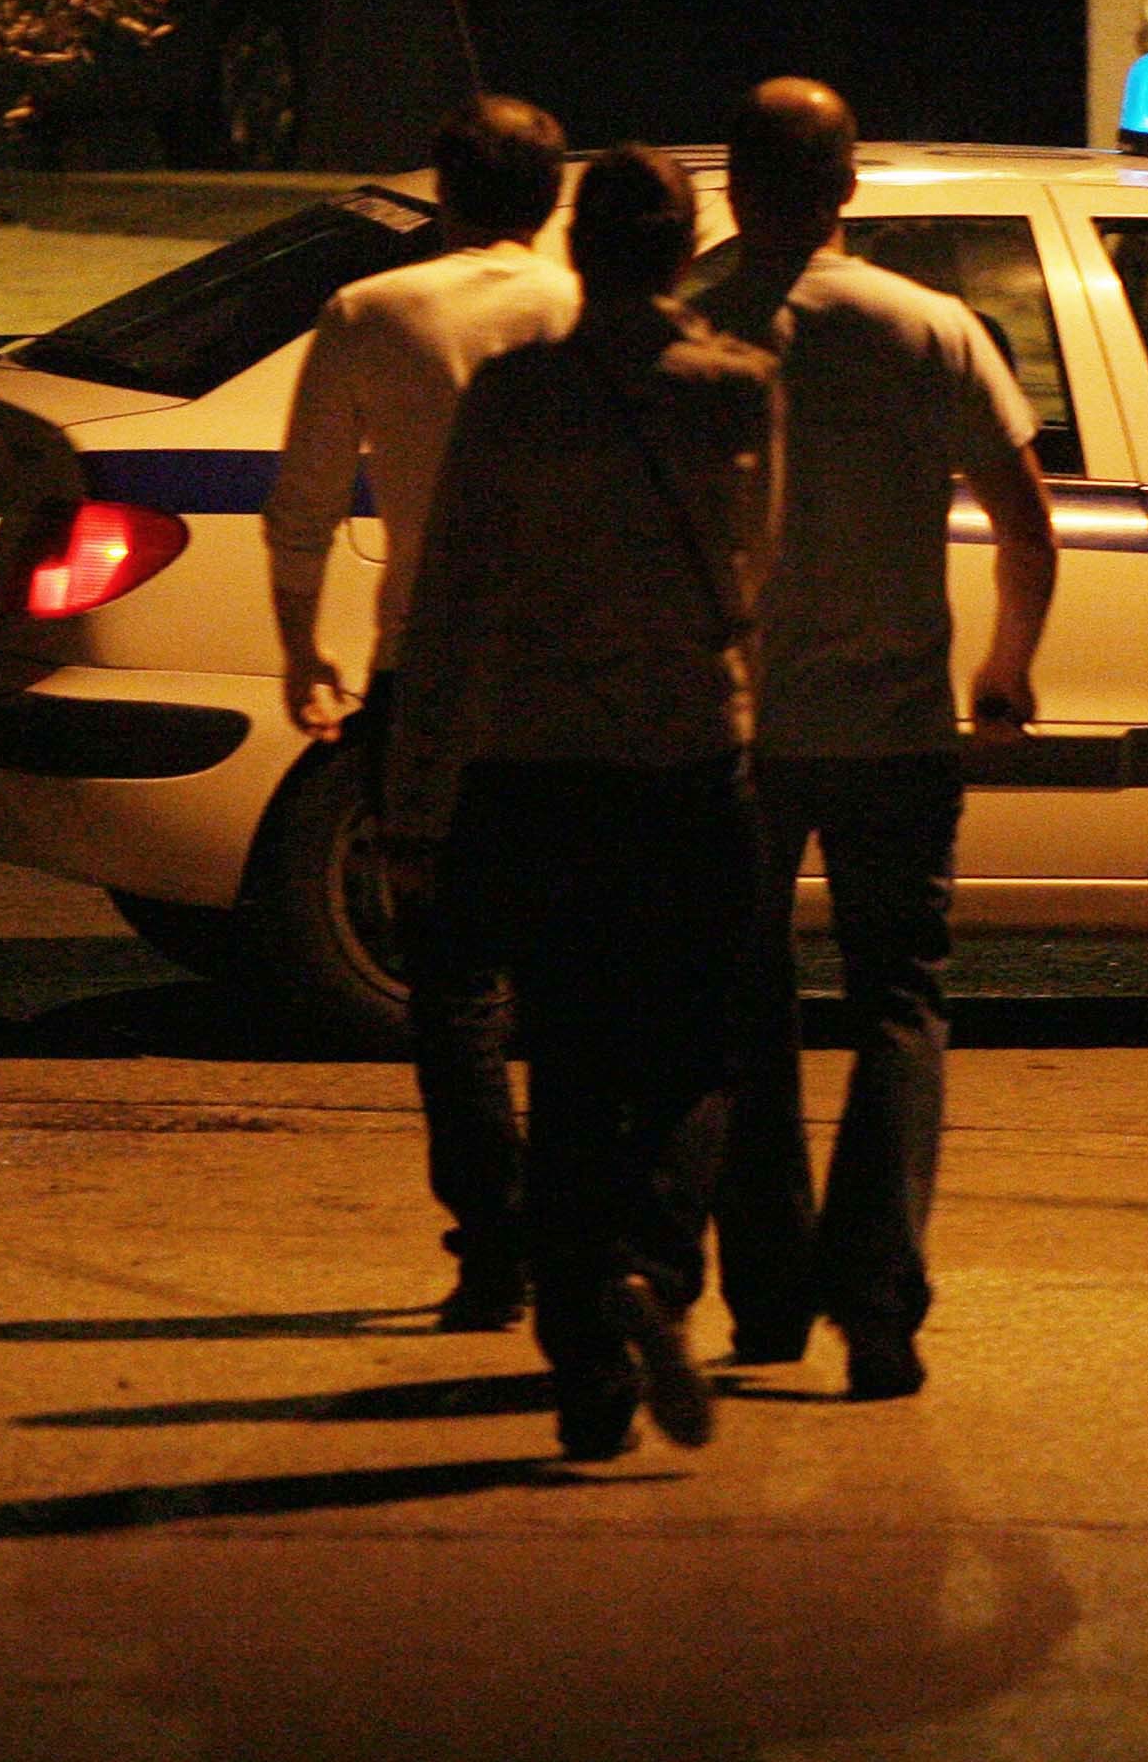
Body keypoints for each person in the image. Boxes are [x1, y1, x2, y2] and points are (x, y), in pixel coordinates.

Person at [385, 147, 780, 1461]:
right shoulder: (737, 388)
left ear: (579, 247)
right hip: (686, 759)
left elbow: (449, 596)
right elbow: (757, 579)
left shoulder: (514, 393)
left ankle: (584, 1358)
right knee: (693, 1050)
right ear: (682, 250)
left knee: (564, 1062)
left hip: (534, 762)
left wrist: (417, 796)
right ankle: (651, 1267)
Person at [698, 77, 1057, 1401]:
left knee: (738, 1005)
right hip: (894, 724)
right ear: (847, 187)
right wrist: (1004, 669)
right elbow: (1025, 525)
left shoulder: (683, 320)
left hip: (729, 729)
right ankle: (878, 1304)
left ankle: (764, 1301)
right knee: (898, 1004)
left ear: (734, 186)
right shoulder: (927, 327)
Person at [261, 94, 577, 1332]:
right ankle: (578, 1231)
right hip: (575, 683)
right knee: (573, 975)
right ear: (550, 198)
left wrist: (305, 650)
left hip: (429, 679)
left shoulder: (372, 314)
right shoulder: (587, 309)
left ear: (445, 194)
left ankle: (491, 1246)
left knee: (454, 976)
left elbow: (301, 507)